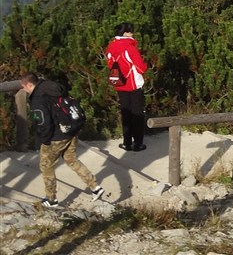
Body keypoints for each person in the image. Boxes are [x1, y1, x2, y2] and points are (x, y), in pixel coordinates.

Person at [21, 73, 105, 208]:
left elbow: (43, 122)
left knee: (46, 166)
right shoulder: (53, 88)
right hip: (71, 131)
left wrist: (45, 140)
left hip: (56, 137)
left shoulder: (38, 99)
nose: (24, 90)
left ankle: (51, 199)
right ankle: (95, 187)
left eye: (24, 87)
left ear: (29, 85)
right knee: (72, 160)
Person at [106, 22, 149, 152]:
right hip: (133, 84)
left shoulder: (111, 47)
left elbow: (109, 64)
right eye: (130, 31)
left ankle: (126, 143)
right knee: (137, 114)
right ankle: (138, 143)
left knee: (125, 113)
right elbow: (142, 67)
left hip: (119, 84)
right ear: (125, 33)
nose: (132, 33)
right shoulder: (130, 48)